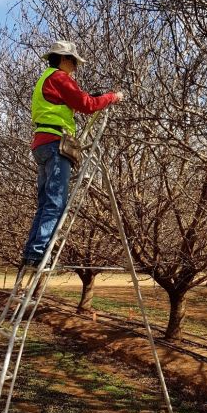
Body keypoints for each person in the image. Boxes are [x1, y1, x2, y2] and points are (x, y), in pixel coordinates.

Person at [22, 40, 123, 267]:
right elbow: (86, 104)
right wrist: (111, 97)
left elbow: (72, 101)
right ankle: (40, 254)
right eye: (74, 61)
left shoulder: (45, 79)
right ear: (64, 59)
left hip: (41, 143)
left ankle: (31, 251)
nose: (76, 66)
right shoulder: (59, 77)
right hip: (56, 144)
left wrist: (88, 96)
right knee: (55, 203)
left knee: (45, 203)